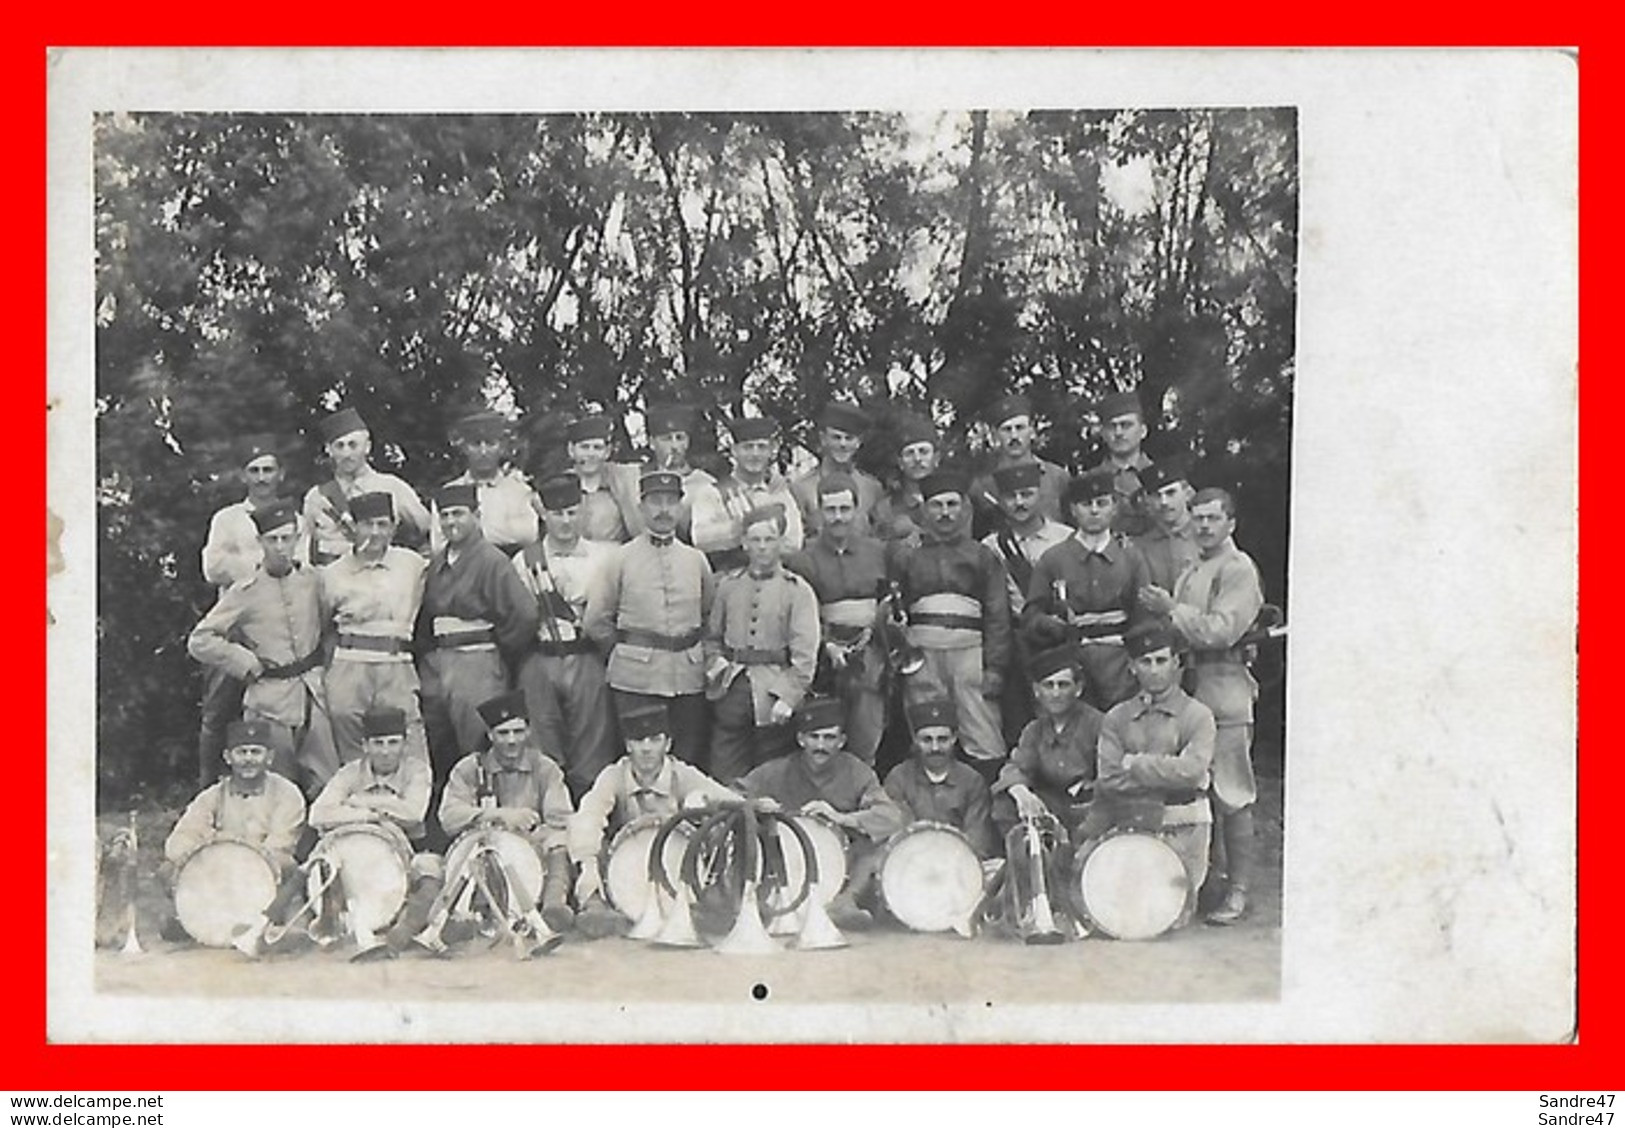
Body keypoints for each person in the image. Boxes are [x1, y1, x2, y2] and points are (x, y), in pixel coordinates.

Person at [1138, 487, 1265, 925]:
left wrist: (1171, 608)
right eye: (1199, 518)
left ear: (1231, 522)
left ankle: (1240, 891)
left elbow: (1219, 632)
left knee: (1231, 792)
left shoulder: (1238, 568)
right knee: (1192, 789)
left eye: (1214, 518)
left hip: (1225, 687)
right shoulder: (1193, 568)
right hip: (1191, 689)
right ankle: (1207, 881)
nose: (1205, 526)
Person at [188, 499, 340, 795]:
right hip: (269, 701)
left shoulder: (313, 581)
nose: (281, 547)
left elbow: (330, 623)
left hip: (314, 696)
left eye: (287, 539)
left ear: (297, 539)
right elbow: (200, 639)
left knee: (327, 783)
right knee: (276, 787)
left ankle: (322, 842)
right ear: (260, 542)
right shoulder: (245, 591)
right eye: (273, 540)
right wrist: (243, 661)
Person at [567, 704, 742, 938]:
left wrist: (750, 805)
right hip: (625, 868)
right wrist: (587, 863)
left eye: (655, 740)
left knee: (718, 828)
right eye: (639, 741)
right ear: (628, 745)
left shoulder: (683, 773)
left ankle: (705, 903)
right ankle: (596, 906)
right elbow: (589, 816)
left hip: (676, 867)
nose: (646, 749)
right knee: (589, 847)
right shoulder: (613, 775)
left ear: (667, 744)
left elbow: (725, 798)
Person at [1083, 622, 1216, 929]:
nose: (1154, 670)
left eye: (1161, 660)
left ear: (1176, 663)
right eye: (1145, 662)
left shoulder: (1198, 716)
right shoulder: (1117, 718)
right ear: (1132, 667)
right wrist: (1168, 770)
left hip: (1183, 822)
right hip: (1131, 821)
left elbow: (1192, 772)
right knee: (1117, 912)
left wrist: (1136, 763)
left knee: (1168, 915)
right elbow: (1109, 778)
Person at [583, 469, 716, 769]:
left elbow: (709, 616)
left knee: (686, 758)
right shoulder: (620, 559)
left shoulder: (696, 559)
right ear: (641, 508)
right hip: (635, 680)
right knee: (637, 759)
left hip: (688, 677)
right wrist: (628, 651)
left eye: (671, 502)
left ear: (681, 507)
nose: (664, 510)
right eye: (656, 502)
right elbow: (596, 621)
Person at [418, 481, 538, 811]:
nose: (451, 522)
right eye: (445, 515)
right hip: (440, 660)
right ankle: (449, 816)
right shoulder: (440, 561)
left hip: (478, 659)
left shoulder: (490, 560)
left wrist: (500, 650)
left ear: (476, 515)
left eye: (459, 513)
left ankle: (488, 812)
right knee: (438, 741)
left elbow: (525, 615)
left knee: (477, 743)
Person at [737, 697, 906, 929]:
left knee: (876, 850)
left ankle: (844, 903)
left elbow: (891, 816)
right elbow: (729, 794)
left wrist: (842, 818)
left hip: (843, 866)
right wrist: (754, 805)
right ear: (800, 739)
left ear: (842, 741)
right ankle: (765, 904)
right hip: (786, 865)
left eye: (829, 738)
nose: (820, 746)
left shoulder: (857, 771)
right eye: (813, 737)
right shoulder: (776, 770)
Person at [195, 434, 301, 788]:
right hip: (234, 624)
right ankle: (208, 789)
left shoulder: (295, 520)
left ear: (280, 474)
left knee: (279, 710)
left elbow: (302, 567)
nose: (261, 478)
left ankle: (274, 790)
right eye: (254, 470)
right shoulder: (228, 519)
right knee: (218, 709)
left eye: (268, 470)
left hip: (276, 625)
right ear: (244, 476)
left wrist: (247, 561)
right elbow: (213, 567)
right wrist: (261, 565)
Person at [890, 468, 1012, 770]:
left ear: (964, 508)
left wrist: (995, 667)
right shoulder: (907, 557)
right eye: (937, 505)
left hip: (970, 656)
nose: (945, 513)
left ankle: (986, 805)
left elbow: (998, 615)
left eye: (952, 504)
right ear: (925, 510)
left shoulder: (982, 556)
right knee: (926, 729)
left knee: (983, 733)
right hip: (923, 658)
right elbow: (894, 613)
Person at [513, 474, 619, 798]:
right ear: (543, 513)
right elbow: (517, 617)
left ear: (583, 511)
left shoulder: (606, 557)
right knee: (543, 741)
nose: (566, 521)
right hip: (541, 657)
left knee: (593, 744)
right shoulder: (524, 561)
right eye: (558, 513)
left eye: (572, 512)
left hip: (587, 656)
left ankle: (590, 813)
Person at [307, 706, 443, 960]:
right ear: (365, 745)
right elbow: (318, 814)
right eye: (378, 743)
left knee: (432, 869)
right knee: (314, 868)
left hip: (403, 851)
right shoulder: (349, 773)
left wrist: (357, 801)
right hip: (350, 851)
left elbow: (413, 813)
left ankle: (400, 936)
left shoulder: (417, 770)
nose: (385, 751)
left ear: (404, 743)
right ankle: (330, 925)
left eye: (393, 743)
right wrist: (368, 816)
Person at [437, 691, 577, 935]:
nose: (511, 740)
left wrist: (532, 836)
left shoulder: (545, 768)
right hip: (483, 856)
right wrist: (500, 815)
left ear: (529, 732)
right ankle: (468, 917)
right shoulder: (470, 768)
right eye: (503, 733)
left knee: (559, 842)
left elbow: (562, 820)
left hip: (533, 855)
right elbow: (448, 817)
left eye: (518, 731)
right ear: (490, 735)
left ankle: (554, 908)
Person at [161, 719, 308, 951]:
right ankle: (205, 923)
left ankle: (269, 922)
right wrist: (211, 853)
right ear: (228, 757)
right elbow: (177, 842)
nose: (248, 759)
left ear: (269, 757)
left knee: (289, 865)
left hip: (263, 871)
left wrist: (225, 844)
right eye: (241, 752)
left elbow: (279, 847)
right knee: (168, 869)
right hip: (218, 872)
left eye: (256, 752)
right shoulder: (212, 795)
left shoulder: (287, 794)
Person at [703, 504, 820, 781]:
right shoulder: (729, 586)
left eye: (769, 539)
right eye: (755, 540)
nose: (763, 547)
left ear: (780, 542)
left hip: (773, 694)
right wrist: (716, 669)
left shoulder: (797, 590)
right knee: (725, 773)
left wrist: (789, 696)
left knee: (772, 775)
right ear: (744, 543)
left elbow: (805, 655)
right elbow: (711, 638)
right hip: (731, 690)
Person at [784, 474, 892, 765]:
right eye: (830, 510)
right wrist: (828, 644)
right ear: (819, 511)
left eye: (845, 509)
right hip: (824, 655)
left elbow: (890, 600)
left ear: (856, 509)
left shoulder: (878, 552)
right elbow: (801, 613)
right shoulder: (803, 559)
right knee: (823, 728)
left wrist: (879, 628)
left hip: (871, 650)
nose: (838, 517)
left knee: (868, 725)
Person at [317, 491, 430, 768]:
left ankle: (410, 806)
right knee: (349, 736)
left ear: (393, 527)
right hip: (349, 666)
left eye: (382, 524)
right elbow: (322, 625)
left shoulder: (413, 565)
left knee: (407, 737)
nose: (375, 532)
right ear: (353, 528)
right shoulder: (332, 574)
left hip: (397, 665)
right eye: (367, 524)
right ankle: (357, 805)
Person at [1022, 467, 1146, 711]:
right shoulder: (1053, 559)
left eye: (1102, 503)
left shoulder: (1130, 557)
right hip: (1071, 662)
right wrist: (1048, 624)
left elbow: (1144, 615)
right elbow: (1030, 616)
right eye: (1086, 504)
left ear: (1114, 507)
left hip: (1120, 664)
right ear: (1073, 510)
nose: (1095, 510)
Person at [991, 644, 1104, 841]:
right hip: (1051, 806)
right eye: (1048, 685)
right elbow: (1016, 766)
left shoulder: (1098, 723)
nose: (1056, 693)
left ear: (1078, 689)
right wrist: (1020, 791)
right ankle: (1025, 863)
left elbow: (1112, 775)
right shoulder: (1034, 730)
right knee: (1005, 805)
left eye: (1063, 685)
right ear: (1037, 691)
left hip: (1088, 806)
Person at [302, 406, 431, 565]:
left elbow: (427, 529)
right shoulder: (316, 497)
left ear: (367, 447)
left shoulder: (392, 487)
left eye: (353, 445)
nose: (347, 454)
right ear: (328, 449)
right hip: (334, 582)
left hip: (380, 579)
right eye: (339, 446)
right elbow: (304, 547)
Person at [882, 698, 997, 859]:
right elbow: (897, 835)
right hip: (910, 864)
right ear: (915, 740)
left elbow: (978, 841)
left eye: (942, 739)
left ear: (954, 738)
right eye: (927, 740)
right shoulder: (899, 778)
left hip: (959, 864)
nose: (935, 748)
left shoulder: (972, 781)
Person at [689, 414, 805, 572]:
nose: (755, 454)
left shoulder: (779, 494)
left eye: (761, 447)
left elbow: (794, 543)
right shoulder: (712, 493)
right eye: (748, 447)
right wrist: (738, 529)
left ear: (771, 451)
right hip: (728, 579)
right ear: (734, 451)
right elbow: (700, 539)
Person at [433, 409, 538, 554]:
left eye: (490, 443)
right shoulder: (449, 492)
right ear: (464, 448)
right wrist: (506, 530)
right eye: (476, 444)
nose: (483, 451)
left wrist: (467, 535)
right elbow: (438, 546)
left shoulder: (519, 491)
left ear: (501, 447)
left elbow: (528, 535)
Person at [968, 394, 1070, 527]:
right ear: (995, 434)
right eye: (1006, 430)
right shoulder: (983, 486)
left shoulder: (1057, 477)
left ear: (1032, 430)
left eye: (1020, 428)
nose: (1014, 436)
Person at [788, 401, 884, 538]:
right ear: (823, 439)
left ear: (858, 442)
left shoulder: (872, 488)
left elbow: (879, 536)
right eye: (836, 438)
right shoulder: (801, 488)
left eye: (849, 438)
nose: (842, 444)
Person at [642, 403, 716, 544]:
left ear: (687, 442)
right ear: (652, 442)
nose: (675, 446)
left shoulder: (705, 483)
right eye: (667, 439)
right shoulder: (639, 480)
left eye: (680, 438)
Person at [565, 414, 644, 543]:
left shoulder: (622, 478)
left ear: (607, 452)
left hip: (615, 557)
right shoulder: (561, 483)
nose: (591, 454)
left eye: (597, 448)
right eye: (584, 447)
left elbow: (639, 530)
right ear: (571, 450)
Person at [1088, 389, 1156, 537]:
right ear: (1104, 434)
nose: (1118, 433)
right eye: (1112, 426)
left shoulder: (1164, 479)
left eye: (1126, 425)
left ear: (1143, 431)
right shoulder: (1089, 481)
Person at [872, 412, 942, 548]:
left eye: (923, 451)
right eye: (910, 453)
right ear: (900, 462)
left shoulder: (956, 503)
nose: (917, 459)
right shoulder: (884, 510)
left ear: (936, 458)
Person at [1134, 453, 1201, 593]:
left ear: (1187, 494)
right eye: (1156, 495)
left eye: (1171, 493)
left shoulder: (1207, 536)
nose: (1164, 502)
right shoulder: (1140, 547)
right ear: (1148, 501)